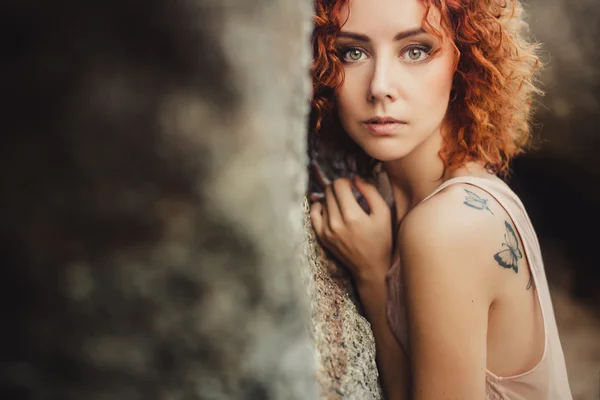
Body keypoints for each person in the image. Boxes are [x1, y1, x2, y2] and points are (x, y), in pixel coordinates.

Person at [307, 0, 573, 398]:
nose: (380, 86)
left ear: (464, 61)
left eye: (415, 50)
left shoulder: (450, 225)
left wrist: (373, 278)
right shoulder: (449, 196)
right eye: (353, 52)